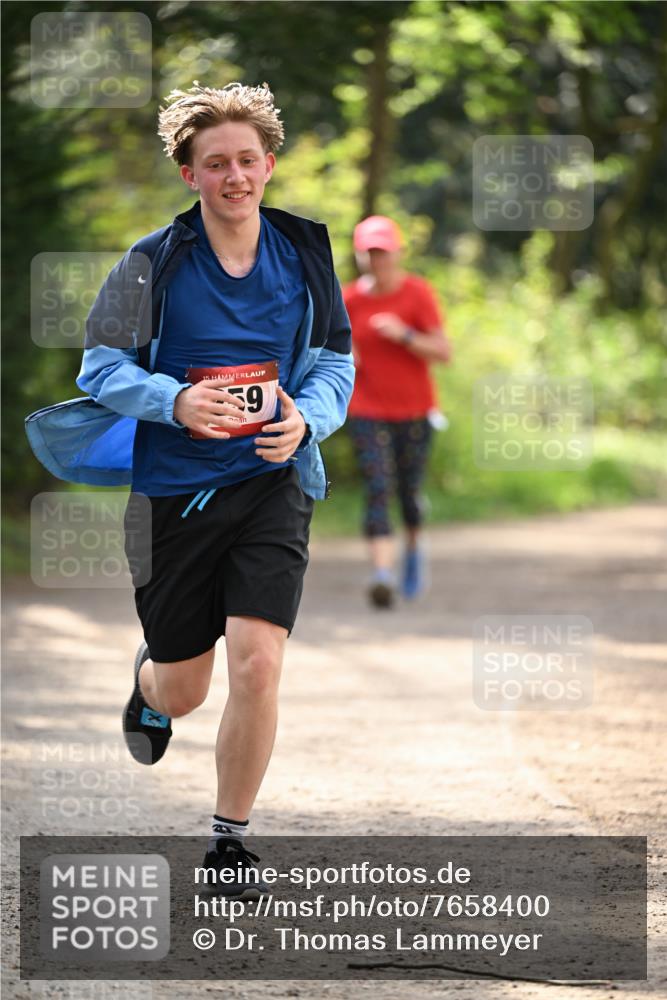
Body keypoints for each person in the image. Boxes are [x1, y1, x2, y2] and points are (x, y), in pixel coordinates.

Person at [72, 82, 354, 893]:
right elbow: (100, 366)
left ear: (268, 164)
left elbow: (333, 359)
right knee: (186, 688)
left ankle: (229, 842)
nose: (235, 176)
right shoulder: (153, 261)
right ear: (190, 175)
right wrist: (176, 401)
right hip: (173, 492)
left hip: (270, 478)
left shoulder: (302, 253)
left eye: (246, 161)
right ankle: (148, 683)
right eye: (215, 164)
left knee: (259, 664)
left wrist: (311, 419)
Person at [343, 215, 451, 609]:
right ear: (359, 255)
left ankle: (413, 550)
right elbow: (331, 351)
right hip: (367, 409)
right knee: (377, 486)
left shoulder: (417, 294)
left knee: (408, 491)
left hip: (416, 411)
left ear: (398, 253)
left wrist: (403, 334)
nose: (377, 260)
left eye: (383, 252)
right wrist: (344, 357)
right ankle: (382, 574)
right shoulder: (348, 299)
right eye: (369, 253)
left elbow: (443, 352)